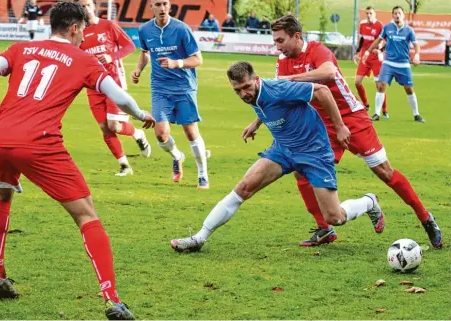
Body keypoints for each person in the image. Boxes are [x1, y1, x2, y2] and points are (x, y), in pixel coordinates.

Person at [0, 2, 156, 319]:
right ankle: (112, 299)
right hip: (40, 144)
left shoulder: (22, 48)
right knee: (87, 215)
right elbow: (120, 96)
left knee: (1, 196)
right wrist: (141, 115)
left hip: (0, 140)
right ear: (74, 27)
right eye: (83, 29)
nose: (84, 34)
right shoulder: (83, 59)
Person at [170, 61, 385, 252]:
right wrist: (256, 123)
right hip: (283, 149)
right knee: (243, 188)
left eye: (246, 87)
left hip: (313, 152)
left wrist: (339, 127)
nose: (244, 93)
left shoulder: (277, 88)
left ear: (256, 79)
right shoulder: (255, 96)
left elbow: (322, 91)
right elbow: (271, 107)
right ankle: (199, 238)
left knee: (334, 217)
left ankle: (368, 202)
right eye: (238, 90)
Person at [272, 15, 442, 248]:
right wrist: (257, 122)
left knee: (385, 172)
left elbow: (329, 72)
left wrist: (291, 79)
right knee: (302, 171)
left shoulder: (317, 50)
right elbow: (280, 97)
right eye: (275, 41)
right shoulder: (282, 60)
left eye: (281, 40)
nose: (277, 46)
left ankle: (426, 218)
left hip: (352, 118)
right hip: (323, 126)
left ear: (296, 36)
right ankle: (324, 228)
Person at [131, 0, 210, 189]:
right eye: (158, 4)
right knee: (160, 134)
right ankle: (177, 156)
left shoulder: (181, 29)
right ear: (152, 7)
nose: (163, 8)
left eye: (165, 3)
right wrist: (138, 69)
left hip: (184, 87)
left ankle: (202, 174)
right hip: (160, 87)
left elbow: (198, 59)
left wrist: (177, 63)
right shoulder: (144, 30)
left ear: (170, 6)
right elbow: (145, 53)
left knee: (191, 132)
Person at [77, 0, 151, 176]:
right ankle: (125, 165)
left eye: (87, 4)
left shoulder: (108, 26)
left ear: (94, 6)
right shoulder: (78, 33)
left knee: (115, 126)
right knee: (104, 127)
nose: (85, 8)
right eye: (81, 6)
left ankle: (138, 134)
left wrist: (111, 57)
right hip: (93, 86)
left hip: (114, 82)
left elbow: (129, 46)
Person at [365, 6, 424, 122]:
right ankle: (376, 113)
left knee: (409, 89)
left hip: (403, 64)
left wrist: (417, 55)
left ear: (403, 15)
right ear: (392, 15)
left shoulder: (409, 30)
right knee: (381, 85)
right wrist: (368, 51)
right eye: (395, 13)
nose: (397, 15)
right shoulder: (387, 27)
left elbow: (416, 44)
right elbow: (378, 40)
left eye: (399, 13)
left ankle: (416, 114)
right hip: (388, 63)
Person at [353, 6, 389, 118]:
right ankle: (366, 104)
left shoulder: (380, 25)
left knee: (379, 85)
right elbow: (362, 40)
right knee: (357, 82)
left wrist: (380, 50)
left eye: (370, 13)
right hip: (365, 57)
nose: (368, 15)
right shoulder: (362, 24)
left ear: (375, 14)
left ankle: (384, 110)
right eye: (367, 13)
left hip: (376, 58)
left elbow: (386, 41)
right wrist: (357, 52)